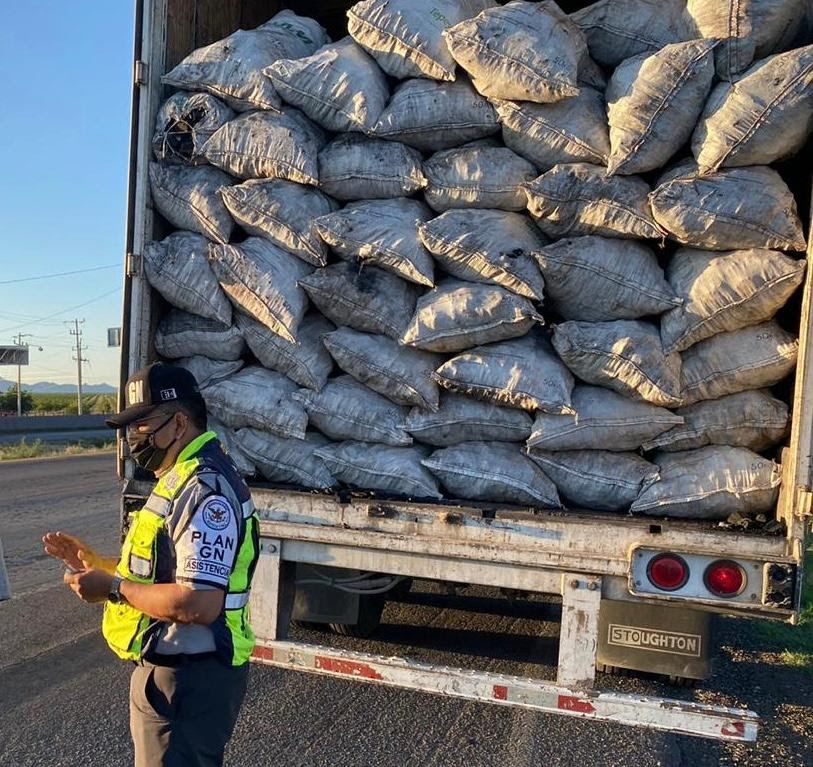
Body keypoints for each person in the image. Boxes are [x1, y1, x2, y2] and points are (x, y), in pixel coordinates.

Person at [43, 362, 258, 767]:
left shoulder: (203, 490)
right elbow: (163, 569)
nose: (132, 436)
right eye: (129, 426)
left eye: (142, 424)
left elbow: (199, 602)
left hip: (187, 678)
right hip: (178, 674)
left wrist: (112, 588)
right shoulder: (181, 478)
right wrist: (95, 565)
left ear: (179, 422)